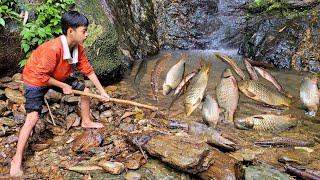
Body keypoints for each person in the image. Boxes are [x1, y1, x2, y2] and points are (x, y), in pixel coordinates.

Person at [10, 10, 110, 177]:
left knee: (85, 90)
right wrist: (63, 85)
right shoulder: (53, 48)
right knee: (33, 116)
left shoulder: (78, 48)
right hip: (35, 79)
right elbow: (42, 75)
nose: (86, 34)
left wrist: (103, 92)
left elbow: (88, 71)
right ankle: (17, 158)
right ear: (71, 31)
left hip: (56, 77)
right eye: (84, 31)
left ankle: (86, 121)